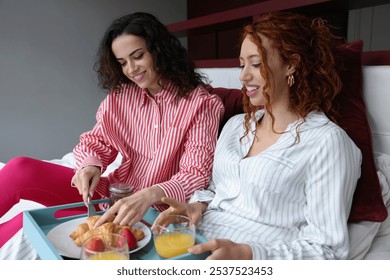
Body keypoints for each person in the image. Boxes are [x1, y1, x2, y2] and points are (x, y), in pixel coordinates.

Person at [0, 12, 223, 258]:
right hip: (109, 194)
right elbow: (96, 142)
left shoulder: (203, 105)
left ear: (160, 50)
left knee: (28, 224)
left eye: (138, 56)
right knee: (21, 168)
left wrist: (150, 194)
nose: (131, 69)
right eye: (123, 62)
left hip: (151, 212)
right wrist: (90, 167)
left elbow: (196, 174)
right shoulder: (122, 96)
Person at [152, 11, 362, 260]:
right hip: (192, 245)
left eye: (256, 63)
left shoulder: (327, 142)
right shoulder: (236, 126)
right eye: (242, 64)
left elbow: (329, 250)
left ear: (291, 64)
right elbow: (216, 190)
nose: (243, 76)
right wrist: (196, 206)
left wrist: (249, 254)